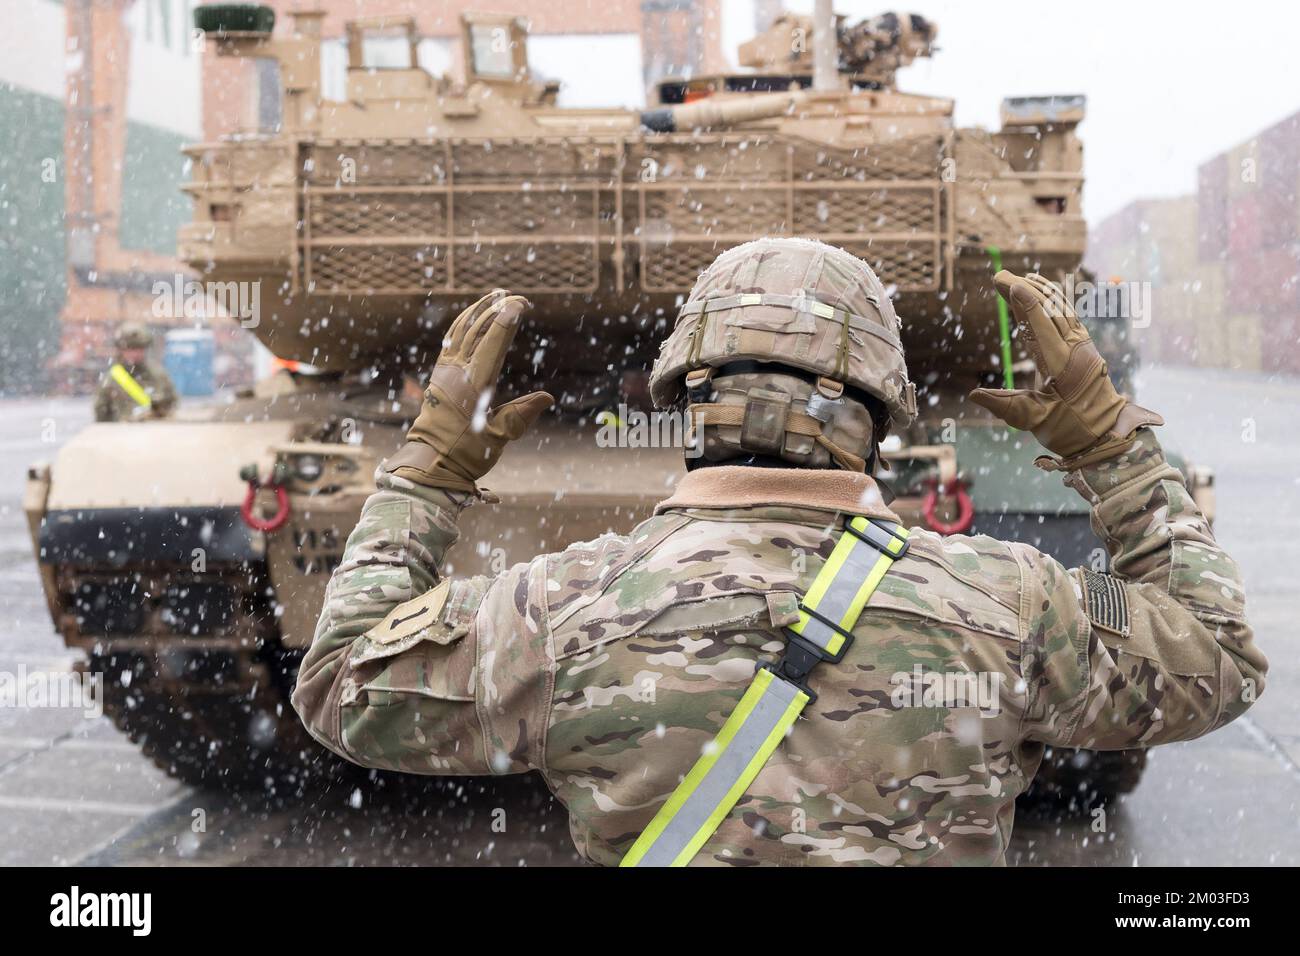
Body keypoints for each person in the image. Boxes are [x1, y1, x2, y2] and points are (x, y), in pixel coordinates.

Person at [293, 238, 1265, 866]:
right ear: (874, 413)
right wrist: (1111, 450)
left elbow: (340, 680)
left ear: (690, 398)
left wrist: (425, 473)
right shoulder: (1007, 602)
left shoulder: (559, 607)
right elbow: (1216, 654)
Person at [93, 323, 178, 422]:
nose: (135, 354)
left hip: (154, 433)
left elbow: (172, 404)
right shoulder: (110, 380)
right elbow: (101, 415)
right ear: (121, 350)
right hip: (120, 434)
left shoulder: (159, 376)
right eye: (130, 348)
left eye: (139, 348)